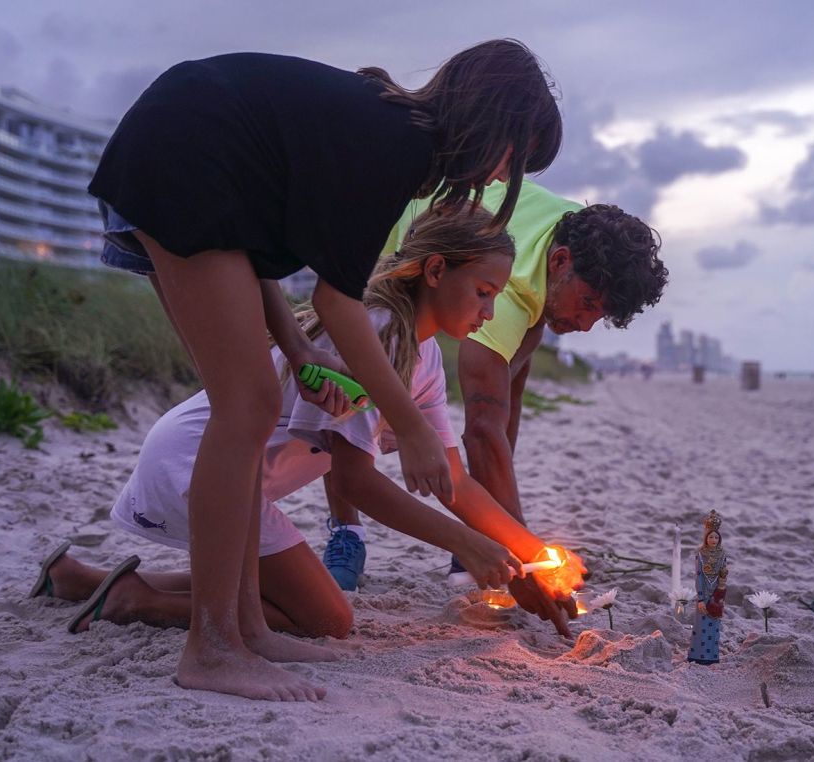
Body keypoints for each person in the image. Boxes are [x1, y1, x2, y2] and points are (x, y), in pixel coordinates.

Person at [87, 41, 562, 701]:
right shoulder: (397, 146)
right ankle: (213, 646)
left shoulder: (382, 132)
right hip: (179, 153)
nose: (498, 177)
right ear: (495, 127)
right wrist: (409, 427)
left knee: (246, 406)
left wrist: (298, 347)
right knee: (248, 406)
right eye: (513, 158)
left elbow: (261, 245)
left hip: (189, 156)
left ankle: (244, 627)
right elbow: (340, 301)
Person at [30, 208, 583, 656]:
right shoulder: (376, 331)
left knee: (294, 594)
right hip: (195, 467)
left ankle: (81, 579)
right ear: (435, 271)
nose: (490, 311)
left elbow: (454, 481)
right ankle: (132, 599)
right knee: (327, 617)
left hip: (227, 477)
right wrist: (465, 543)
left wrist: (537, 553)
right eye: (483, 291)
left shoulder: (427, 357)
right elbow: (355, 481)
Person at [321, 180, 667, 611]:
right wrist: (525, 559)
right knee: (352, 389)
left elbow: (505, 412)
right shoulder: (510, 287)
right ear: (559, 262)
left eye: (603, 315)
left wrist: (502, 532)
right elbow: (482, 431)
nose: (586, 324)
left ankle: (484, 529)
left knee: (486, 398)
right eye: (589, 303)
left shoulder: (575, 242)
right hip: (396, 214)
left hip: (480, 249)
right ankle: (346, 531)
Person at [687, 511, 727, 665]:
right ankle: (698, 656)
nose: (713, 540)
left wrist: (723, 577)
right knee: (701, 625)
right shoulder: (701, 554)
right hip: (704, 593)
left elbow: (723, 573)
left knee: (714, 625)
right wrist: (701, 598)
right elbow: (699, 576)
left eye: (716, 537)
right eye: (711, 537)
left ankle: (712, 657)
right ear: (706, 537)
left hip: (717, 594)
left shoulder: (722, 554)